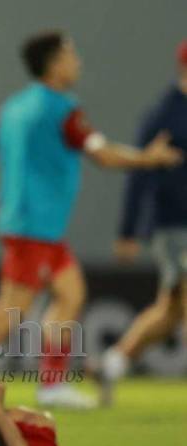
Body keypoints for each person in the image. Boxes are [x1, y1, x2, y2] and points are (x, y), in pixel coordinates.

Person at [0, 30, 183, 409]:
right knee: (12, 309)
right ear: (55, 64)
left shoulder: (14, 106)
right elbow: (102, 155)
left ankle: (52, 386)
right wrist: (148, 158)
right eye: (72, 55)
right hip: (34, 228)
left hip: (34, 226)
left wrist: (6, 190)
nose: (78, 62)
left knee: (71, 294)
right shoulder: (62, 108)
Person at [92, 40, 187, 403]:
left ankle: (112, 364)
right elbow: (140, 172)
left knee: (170, 310)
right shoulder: (166, 114)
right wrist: (128, 229)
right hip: (177, 223)